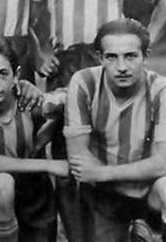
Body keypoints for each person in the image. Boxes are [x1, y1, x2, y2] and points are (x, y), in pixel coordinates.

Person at [38, 0, 166, 242]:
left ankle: (135, 225)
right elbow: (28, 16)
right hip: (65, 67)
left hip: (109, 64)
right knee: (68, 164)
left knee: (121, 151)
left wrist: (145, 44)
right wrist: (40, 52)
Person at [0, 38, 69, 242]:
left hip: (34, 192)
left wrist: (48, 128)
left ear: (16, 75)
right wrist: (49, 165)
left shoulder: (28, 100)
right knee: (0, 182)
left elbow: (68, 97)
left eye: (2, 74)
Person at [65, 18, 166, 242]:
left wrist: (104, 172)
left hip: (149, 193)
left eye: (130, 56)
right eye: (112, 57)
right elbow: (79, 159)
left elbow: (163, 162)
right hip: (104, 195)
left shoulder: (161, 90)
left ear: (145, 56)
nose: (121, 67)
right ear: (100, 57)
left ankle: (155, 230)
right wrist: (104, 177)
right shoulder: (84, 83)